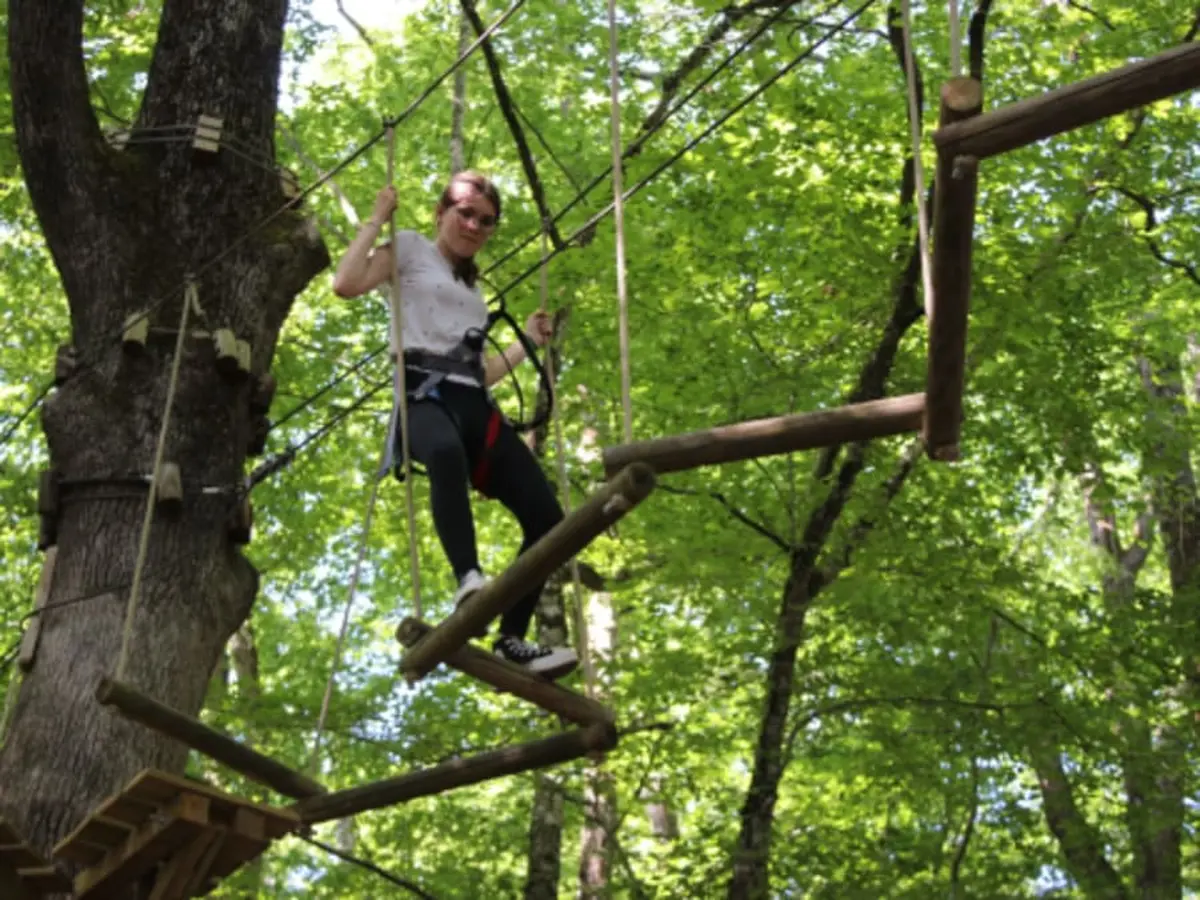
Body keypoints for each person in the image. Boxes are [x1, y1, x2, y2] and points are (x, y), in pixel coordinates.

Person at [332, 171, 577, 680]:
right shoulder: (410, 248)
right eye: (465, 213)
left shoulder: (472, 292)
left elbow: (481, 372)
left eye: (486, 221)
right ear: (441, 212)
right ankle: (468, 577)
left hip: (474, 406)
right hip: (423, 397)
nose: (474, 225)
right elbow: (346, 284)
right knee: (443, 454)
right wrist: (377, 216)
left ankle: (513, 638)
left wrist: (526, 343)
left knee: (548, 519)